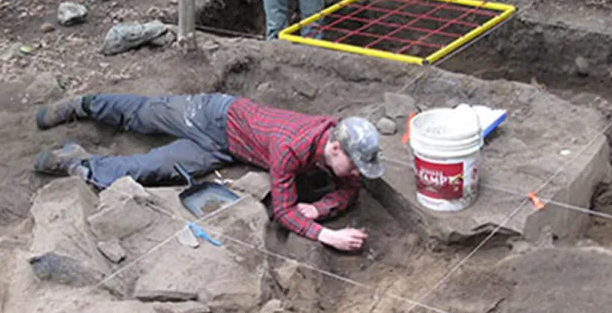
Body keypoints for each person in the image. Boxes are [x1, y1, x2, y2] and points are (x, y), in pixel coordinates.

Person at [33, 94, 382, 252]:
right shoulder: (290, 147)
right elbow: (284, 211)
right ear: (336, 148)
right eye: (353, 164)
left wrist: (320, 209)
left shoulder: (335, 140)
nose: (356, 173)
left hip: (221, 148)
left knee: (152, 168)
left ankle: (77, 163)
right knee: (145, 113)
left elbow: (350, 187)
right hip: (212, 115)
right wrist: (326, 235)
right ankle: (82, 105)